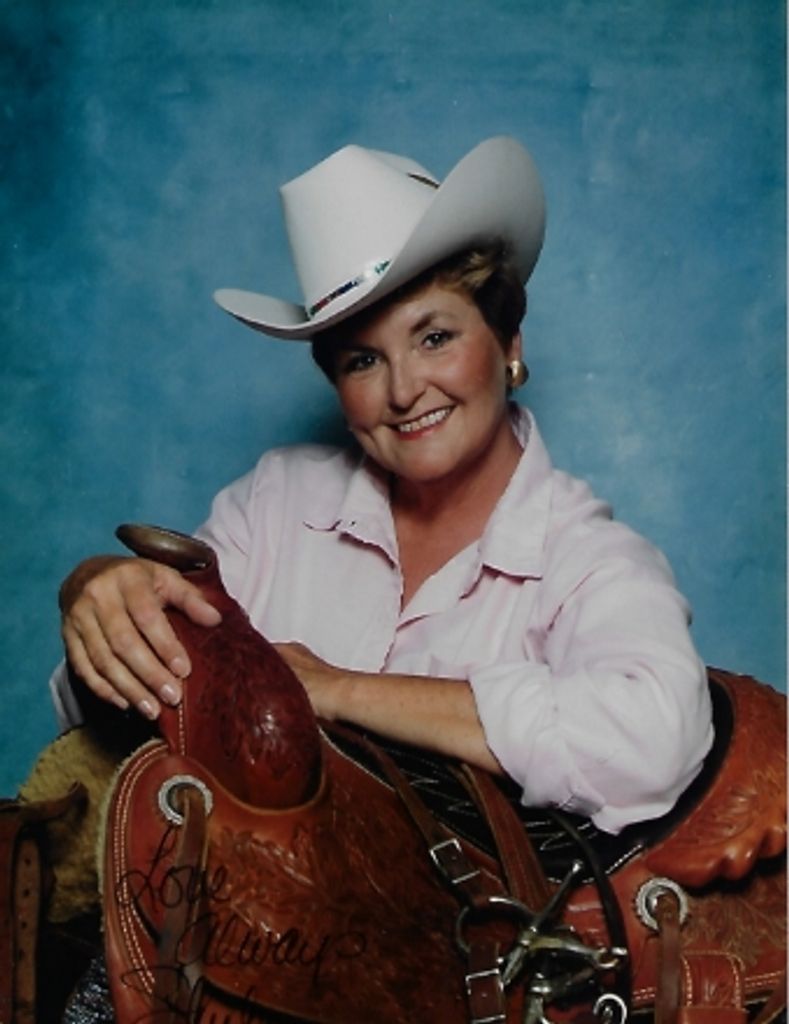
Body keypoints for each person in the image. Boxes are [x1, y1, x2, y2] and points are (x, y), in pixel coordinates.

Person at [55, 136, 713, 835]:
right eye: (363, 360)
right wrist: (101, 599)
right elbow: (136, 718)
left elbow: (654, 738)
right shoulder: (274, 504)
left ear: (508, 342)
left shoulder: (586, 556)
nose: (403, 391)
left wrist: (341, 691)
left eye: (434, 338)